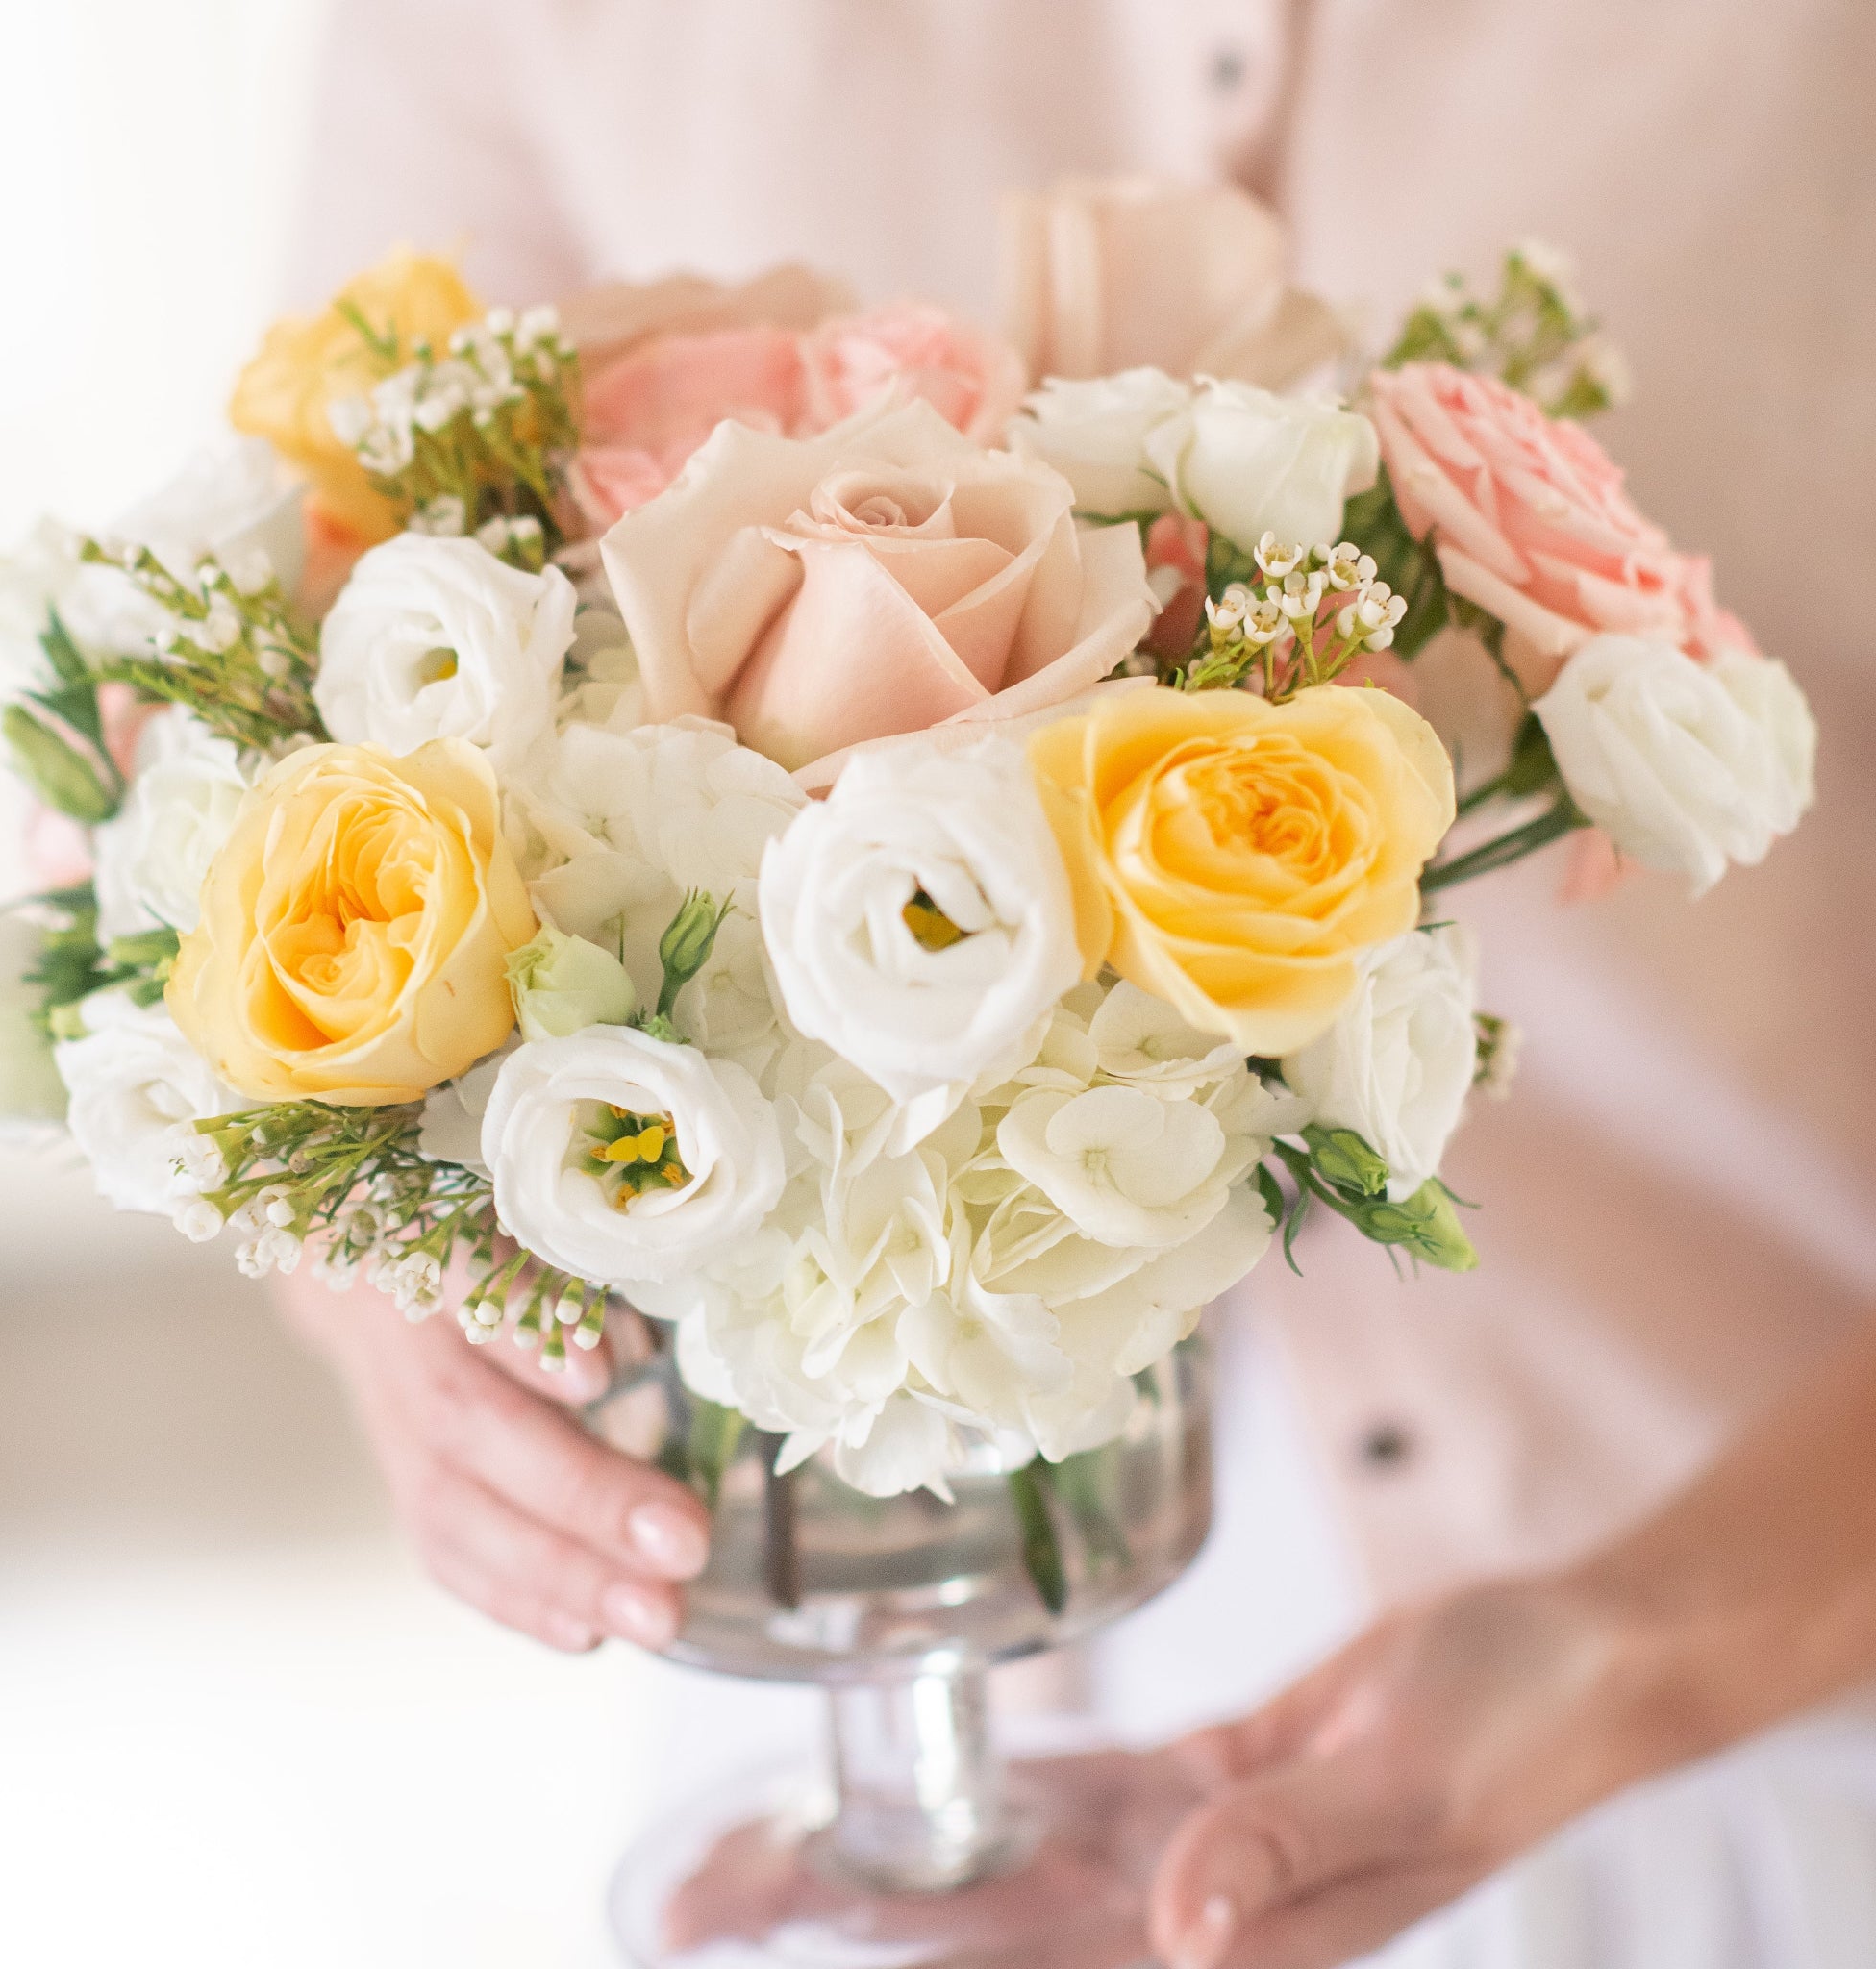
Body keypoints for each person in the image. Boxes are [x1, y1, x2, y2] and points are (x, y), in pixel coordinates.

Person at [277, 1, 1876, 1961]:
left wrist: (1657, 1646)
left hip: (1761, 1666)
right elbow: (289, 678)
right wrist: (365, 1278)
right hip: (821, 1641)